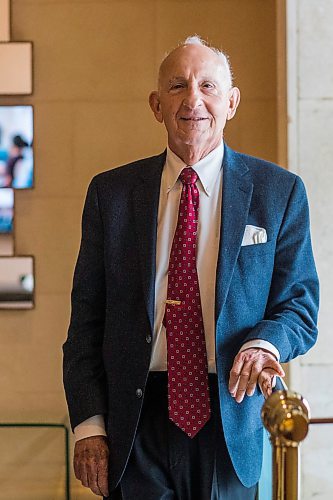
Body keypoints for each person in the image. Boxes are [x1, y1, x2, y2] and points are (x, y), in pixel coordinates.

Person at [63, 36, 319, 499]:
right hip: (136, 424)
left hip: (231, 420)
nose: (193, 100)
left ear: (232, 102)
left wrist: (265, 342)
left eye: (208, 86)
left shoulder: (278, 192)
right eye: (178, 86)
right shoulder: (111, 195)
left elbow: (300, 306)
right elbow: (85, 323)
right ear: (157, 105)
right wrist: (88, 426)